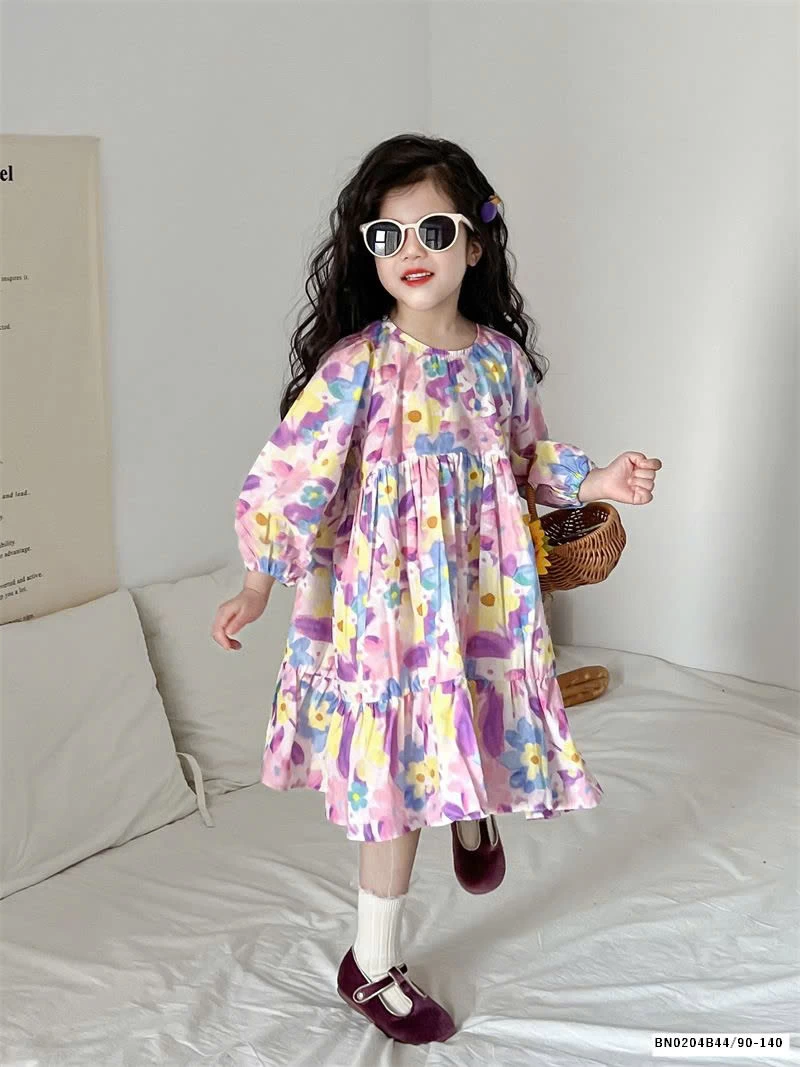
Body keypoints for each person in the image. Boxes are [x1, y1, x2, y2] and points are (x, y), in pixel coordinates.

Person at [211, 133, 661, 1045]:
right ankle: (370, 963)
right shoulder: (359, 365)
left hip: (480, 595)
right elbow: (289, 477)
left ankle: (472, 812)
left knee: (477, 709)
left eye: (435, 230)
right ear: (368, 251)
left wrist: (600, 479)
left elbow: (529, 456)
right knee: (398, 777)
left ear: (476, 243)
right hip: (388, 615)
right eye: (388, 236)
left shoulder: (499, 361)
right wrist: (257, 582)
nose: (411, 251)